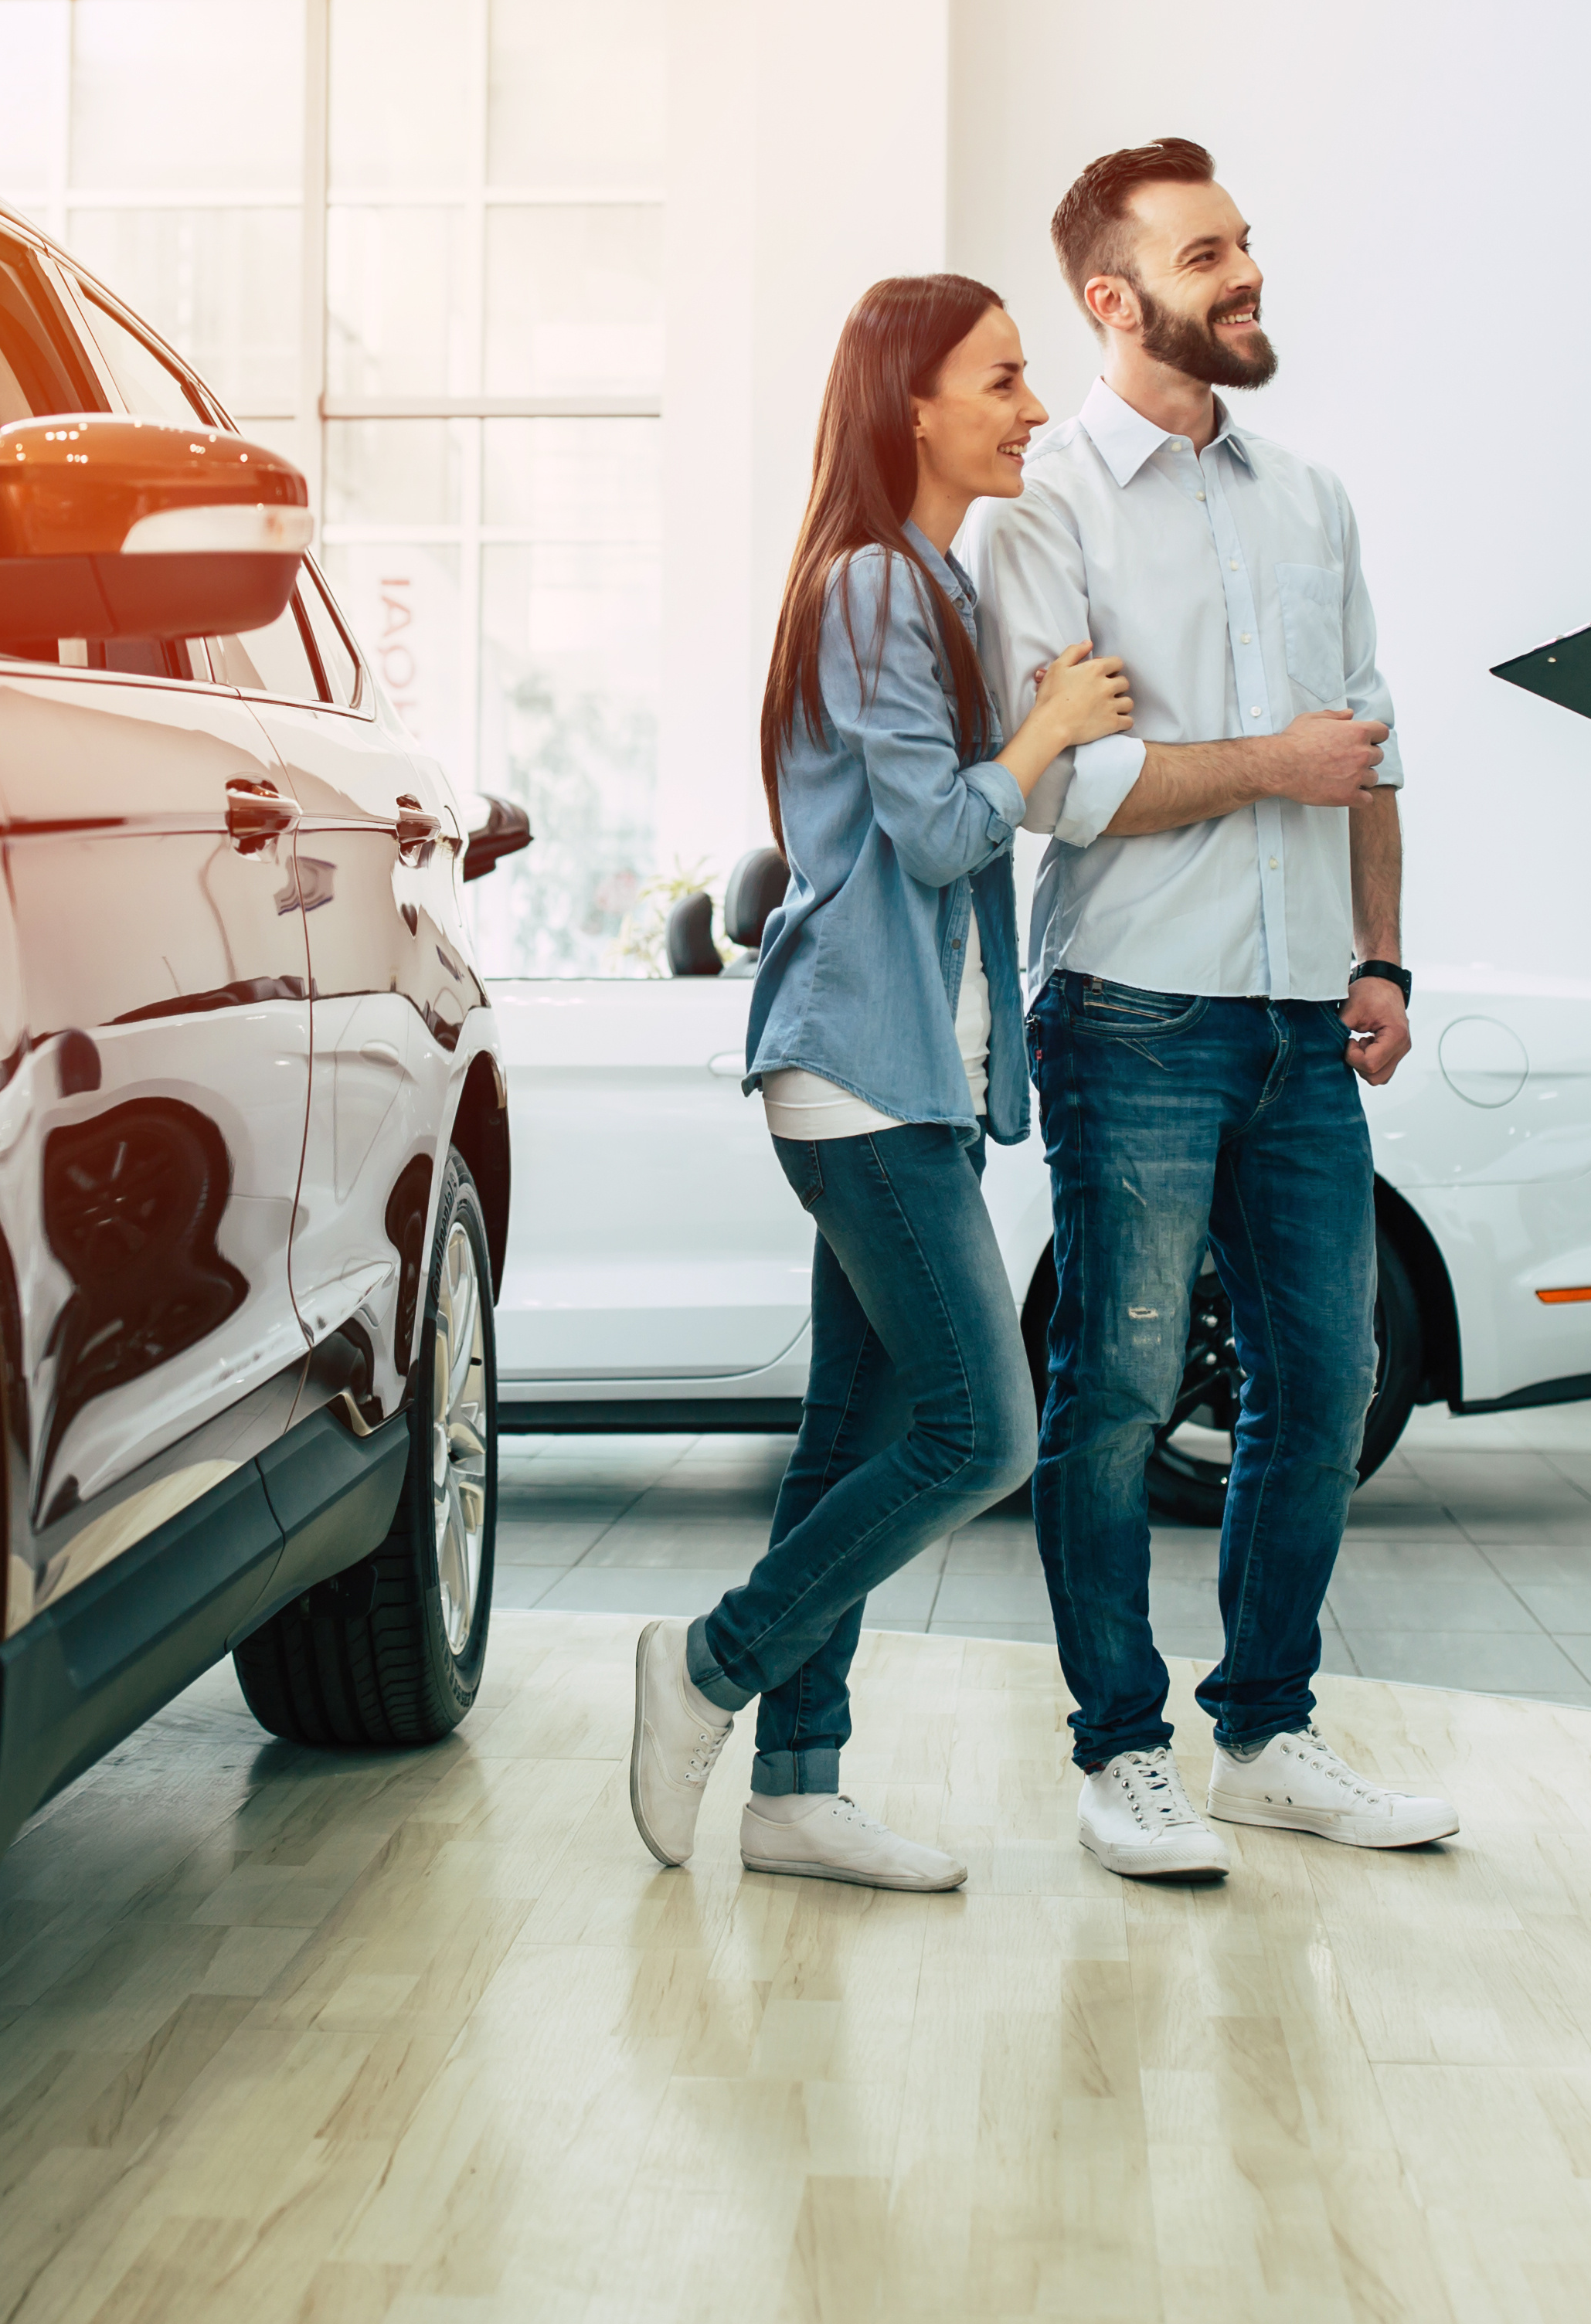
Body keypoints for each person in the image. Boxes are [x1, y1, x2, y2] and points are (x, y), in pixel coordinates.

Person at [976, 138, 1460, 1881]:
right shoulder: (1038, 512)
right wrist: (1267, 764)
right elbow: (1061, 790)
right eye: (1206, 253)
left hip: (1295, 1016)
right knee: (1109, 1392)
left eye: (1245, 241)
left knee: (1319, 1382)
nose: (1245, 273)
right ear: (1112, 300)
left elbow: (1369, 753)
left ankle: (1264, 1728)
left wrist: (1379, 957)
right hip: (1132, 1011)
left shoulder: (1307, 500)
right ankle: (1121, 1752)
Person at [626, 274, 1134, 1887]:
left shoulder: (916, 577)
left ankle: (791, 1786)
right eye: (999, 376)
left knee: (852, 1432)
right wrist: (1047, 726)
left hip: (903, 1069)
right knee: (984, 1433)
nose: (1031, 406)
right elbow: (935, 835)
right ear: (908, 401)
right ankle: (708, 1662)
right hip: (854, 1068)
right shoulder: (869, 587)